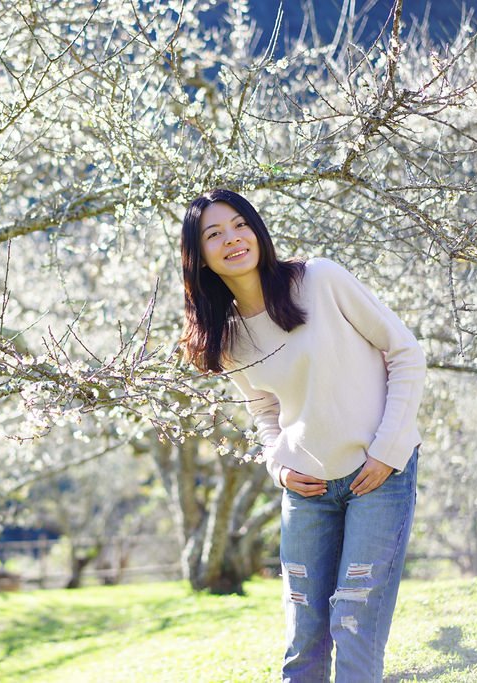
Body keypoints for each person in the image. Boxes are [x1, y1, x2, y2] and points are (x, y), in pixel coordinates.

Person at [179, 189, 426, 682]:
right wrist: (279, 467)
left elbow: (405, 352)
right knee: (303, 639)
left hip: (378, 477)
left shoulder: (321, 279)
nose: (232, 239)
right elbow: (263, 409)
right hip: (307, 489)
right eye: (214, 234)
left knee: (354, 625)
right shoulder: (226, 338)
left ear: (256, 229)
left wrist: (387, 450)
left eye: (239, 224)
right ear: (200, 258)